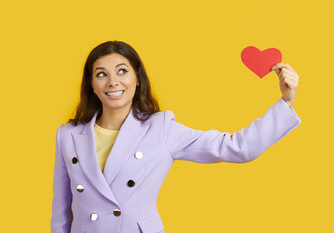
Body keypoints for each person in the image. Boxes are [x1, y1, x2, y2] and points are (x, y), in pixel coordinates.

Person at [51, 41, 301, 233]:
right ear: (91, 84)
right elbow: (61, 210)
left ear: (137, 79)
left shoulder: (161, 128)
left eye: (122, 71)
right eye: (101, 74)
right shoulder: (68, 135)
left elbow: (236, 147)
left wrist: (285, 103)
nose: (113, 82)